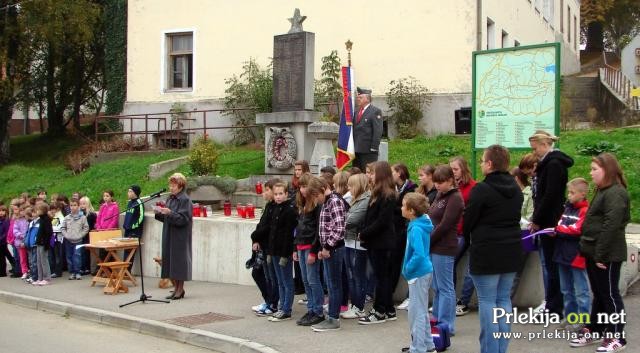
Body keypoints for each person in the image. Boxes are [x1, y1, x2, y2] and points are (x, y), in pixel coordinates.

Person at [463, 144, 524, 353]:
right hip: (511, 250)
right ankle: (501, 348)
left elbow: (468, 219)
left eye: (482, 160)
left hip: (487, 251)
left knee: (488, 301)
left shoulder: (481, 189)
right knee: (503, 299)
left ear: (490, 164)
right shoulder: (516, 189)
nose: (480, 164)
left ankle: (489, 350)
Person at [570, 153, 630, 352]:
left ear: (608, 170)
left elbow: (611, 225)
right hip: (594, 251)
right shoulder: (604, 190)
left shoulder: (616, 192)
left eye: (595, 169)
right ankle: (595, 330)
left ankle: (617, 336)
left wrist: (600, 254)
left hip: (606, 254)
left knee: (610, 295)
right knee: (600, 293)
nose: (591, 173)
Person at [529, 130, 574, 317]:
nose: (534, 152)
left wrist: (537, 219)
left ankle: (554, 306)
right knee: (550, 264)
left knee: (551, 265)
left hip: (550, 220)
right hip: (548, 218)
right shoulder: (549, 163)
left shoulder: (553, 164)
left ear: (544, 145)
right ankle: (554, 304)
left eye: (535, 148)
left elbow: (549, 195)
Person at [358, 161, 398, 324]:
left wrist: (364, 233)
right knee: (383, 276)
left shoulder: (387, 195)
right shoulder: (378, 192)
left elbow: (382, 221)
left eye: (372, 173)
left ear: (380, 175)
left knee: (381, 277)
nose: (370, 176)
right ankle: (388, 308)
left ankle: (379, 310)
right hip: (375, 241)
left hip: (381, 242)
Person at [427, 165, 463, 335]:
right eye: (435, 183)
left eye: (440, 183)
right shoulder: (441, 195)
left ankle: (447, 325)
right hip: (435, 245)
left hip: (445, 246)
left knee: (446, 286)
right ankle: (436, 319)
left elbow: (445, 225)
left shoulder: (455, 197)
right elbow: (431, 214)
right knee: (437, 286)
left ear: (450, 181)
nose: (437, 186)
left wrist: (428, 240)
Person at [553, 178, 591, 332]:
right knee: (566, 289)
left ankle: (583, 319)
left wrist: (559, 230)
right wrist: (558, 229)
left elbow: (576, 229)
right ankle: (570, 316)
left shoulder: (584, 210)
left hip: (576, 255)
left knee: (581, 290)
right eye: (569, 192)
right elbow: (561, 224)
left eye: (572, 192)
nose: (569, 195)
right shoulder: (567, 208)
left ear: (582, 194)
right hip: (562, 252)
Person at [400, 192, 436, 353]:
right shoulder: (421, 222)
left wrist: (408, 269)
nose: (401, 208)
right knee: (420, 310)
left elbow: (419, 254)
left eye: (403, 205)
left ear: (411, 211)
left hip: (418, 274)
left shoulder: (415, 228)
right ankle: (427, 345)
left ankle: (418, 348)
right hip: (423, 272)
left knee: (416, 313)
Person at [312, 176, 348, 332]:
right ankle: (332, 316)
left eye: (316, 196)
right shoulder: (327, 202)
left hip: (334, 249)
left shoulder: (334, 201)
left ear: (322, 190)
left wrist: (326, 247)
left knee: (334, 285)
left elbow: (339, 228)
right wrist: (322, 248)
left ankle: (334, 318)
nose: (315, 200)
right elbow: (325, 228)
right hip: (328, 248)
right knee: (331, 284)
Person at [291, 175, 324, 326]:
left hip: (310, 246)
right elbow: (298, 229)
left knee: (313, 280)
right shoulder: (302, 204)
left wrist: (313, 251)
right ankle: (311, 309)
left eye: (305, 187)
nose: (302, 190)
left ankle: (318, 311)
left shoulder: (317, 205)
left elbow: (318, 230)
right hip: (301, 245)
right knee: (305, 280)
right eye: (300, 187)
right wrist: (295, 248)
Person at [263, 181, 298, 322]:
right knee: (279, 281)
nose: (277, 197)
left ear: (286, 194)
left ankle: (286, 309)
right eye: (276, 194)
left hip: (284, 252)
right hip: (274, 250)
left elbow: (288, 235)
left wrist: (285, 254)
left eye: (280, 194)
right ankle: (281, 306)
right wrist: (270, 252)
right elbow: (272, 232)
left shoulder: (289, 209)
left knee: (286, 281)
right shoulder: (275, 208)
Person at [155, 173, 193, 300]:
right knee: (170, 260)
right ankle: (176, 288)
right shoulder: (170, 199)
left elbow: (184, 219)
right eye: (170, 185)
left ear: (181, 186)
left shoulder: (185, 200)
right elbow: (167, 218)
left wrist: (170, 213)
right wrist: (159, 213)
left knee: (179, 262)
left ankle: (180, 289)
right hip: (169, 233)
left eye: (174, 185)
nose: (171, 188)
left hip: (180, 235)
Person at [450, 156, 477, 317]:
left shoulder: (473, 187)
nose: (453, 172)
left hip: (465, 232)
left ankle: (463, 300)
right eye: (451, 169)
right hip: (453, 231)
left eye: (455, 169)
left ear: (463, 169)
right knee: (448, 263)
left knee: (468, 268)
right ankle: (450, 298)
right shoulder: (453, 186)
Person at [341, 174, 371, 320]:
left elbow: (351, 219)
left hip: (358, 243)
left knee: (357, 276)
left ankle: (359, 307)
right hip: (349, 240)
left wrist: (340, 221)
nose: (349, 188)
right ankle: (354, 304)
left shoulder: (365, 200)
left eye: (351, 185)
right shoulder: (354, 199)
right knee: (351, 275)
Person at [250, 178, 280, 317]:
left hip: (270, 246)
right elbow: (261, 224)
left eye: (267, 190)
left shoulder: (275, 207)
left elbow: (267, 227)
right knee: (261, 274)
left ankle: (272, 302)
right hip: (263, 245)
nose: (264, 193)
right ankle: (268, 301)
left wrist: (255, 235)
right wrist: (255, 238)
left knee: (270, 276)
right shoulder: (269, 206)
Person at [392, 163, 417, 311]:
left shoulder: (411, 188)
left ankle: (410, 297)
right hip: (396, 229)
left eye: (393, 172)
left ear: (400, 173)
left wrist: (394, 209)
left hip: (404, 228)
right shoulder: (394, 188)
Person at [352, 87, 383, 171]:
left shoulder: (375, 111)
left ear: (368, 99)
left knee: (368, 174)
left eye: (360, 97)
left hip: (368, 150)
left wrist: (374, 147)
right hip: (356, 150)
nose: (358, 99)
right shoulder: (356, 112)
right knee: (356, 175)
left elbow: (378, 131)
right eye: (357, 97)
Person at [61, 199, 89, 280]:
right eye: (71, 205)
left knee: (77, 256)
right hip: (68, 240)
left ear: (78, 206)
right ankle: (72, 272)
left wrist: (80, 235)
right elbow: (63, 228)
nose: (73, 207)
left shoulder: (83, 217)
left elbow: (86, 228)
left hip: (78, 240)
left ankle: (77, 272)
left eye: (75, 205)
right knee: (69, 257)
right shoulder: (67, 217)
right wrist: (66, 235)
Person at [123, 185, 145, 271]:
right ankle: (124, 270)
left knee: (130, 251)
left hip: (135, 231)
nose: (128, 193)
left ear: (135, 193)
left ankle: (127, 271)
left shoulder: (139, 202)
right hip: (127, 230)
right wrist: (125, 225)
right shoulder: (129, 203)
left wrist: (133, 226)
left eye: (130, 191)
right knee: (126, 250)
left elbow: (141, 217)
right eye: (128, 191)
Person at [34, 202, 54, 286]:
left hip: (43, 243)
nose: (36, 211)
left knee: (44, 261)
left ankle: (47, 278)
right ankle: (40, 278)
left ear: (43, 210)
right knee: (39, 261)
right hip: (39, 243)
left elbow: (49, 233)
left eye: (38, 210)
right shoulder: (40, 219)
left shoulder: (46, 220)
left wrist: (46, 244)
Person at [79, 196, 97, 275]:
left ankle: (88, 268)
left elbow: (93, 225)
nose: (82, 205)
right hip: (82, 234)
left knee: (88, 252)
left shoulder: (91, 214)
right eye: (81, 204)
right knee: (82, 252)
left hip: (89, 234)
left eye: (84, 204)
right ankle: (83, 267)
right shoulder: (79, 214)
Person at [48, 202, 65, 278]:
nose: (51, 211)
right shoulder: (56, 217)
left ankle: (58, 271)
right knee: (54, 255)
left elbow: (55, 228)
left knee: (57, 255)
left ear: (57, 209)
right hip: (54, 238)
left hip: (58, 239)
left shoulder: (59, 217)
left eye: (53, 209)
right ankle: (54, 270)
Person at [13, 205, 29, 279]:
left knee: (30, 257)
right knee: (23, 258)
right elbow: (15, 231)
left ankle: (31, 270)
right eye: (21, 210)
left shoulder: (28, 220)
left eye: (24, 210)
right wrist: (21, 235)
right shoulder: (17, 221)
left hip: (28, 242)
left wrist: (26, 236)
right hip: (20, 242)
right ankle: (24, 271)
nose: (22, 212)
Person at [0, 205, 15, 277]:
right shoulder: (1, 220)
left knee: (2, 257)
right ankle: (14, 265)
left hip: (2, 241)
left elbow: (6, 233)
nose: (1, 212)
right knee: (7, 254)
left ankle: (2, 272)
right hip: (1, 241)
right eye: (0, 211)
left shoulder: (6, 221)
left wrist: (1, 239)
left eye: (3, 211)